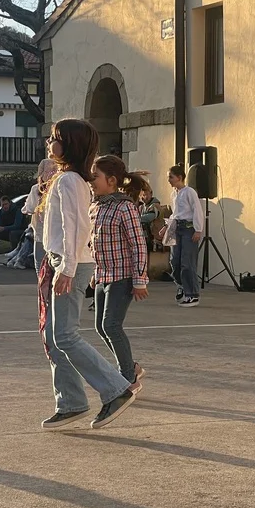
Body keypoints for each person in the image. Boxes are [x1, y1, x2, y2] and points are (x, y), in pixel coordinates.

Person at [38, 119, 136, 431]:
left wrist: (65, 269)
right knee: (54, 336)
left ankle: (116, 389)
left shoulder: (69, 180)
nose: (50, 142)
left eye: (55, 138)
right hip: (65, 261)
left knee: (65, 335)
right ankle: (71, 402)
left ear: (70, 144)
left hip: (71, 263)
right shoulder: (69, 179)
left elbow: (77, 227)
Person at [89, 154, 150, 391]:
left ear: (112, 180)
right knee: (101, 327)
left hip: (122, 277)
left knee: (112, 325)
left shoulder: (125, 207)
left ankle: (128, 378)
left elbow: (138, 245)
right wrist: (94, 273)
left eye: (95, 176)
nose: (91, 181)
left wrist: (139, 280)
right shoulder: (95, 206)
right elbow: (94, 244)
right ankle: (131, 366)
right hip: (103, 276)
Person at [165, 165, 205, 306]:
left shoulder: (189, 192)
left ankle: (192, 294)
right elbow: (175, 213)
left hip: (189, 229)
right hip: (177, 228)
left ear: (179, 177)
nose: (169, 180)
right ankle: (181, 285)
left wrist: (198, 229)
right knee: (174, 261)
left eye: (171, 177)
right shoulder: (174, 194)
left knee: (187, 262)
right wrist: (166, 227)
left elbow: (197, 210)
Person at [26, 157, 58, 268]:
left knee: (39, 264)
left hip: (40, 232)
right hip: (55, 233)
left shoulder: (36, 189)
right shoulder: (58, 188)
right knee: (54, 264)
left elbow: (30, 208)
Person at [0, 195, 23, 265]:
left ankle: (13, 258)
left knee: (13, 233)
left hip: (20, 232)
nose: (5, 206)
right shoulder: (1, 212)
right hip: (8, 231)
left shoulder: (17, 210)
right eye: (3, 205)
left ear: (9, 203)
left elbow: (17, 225)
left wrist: (4, 228)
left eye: (6, 204)